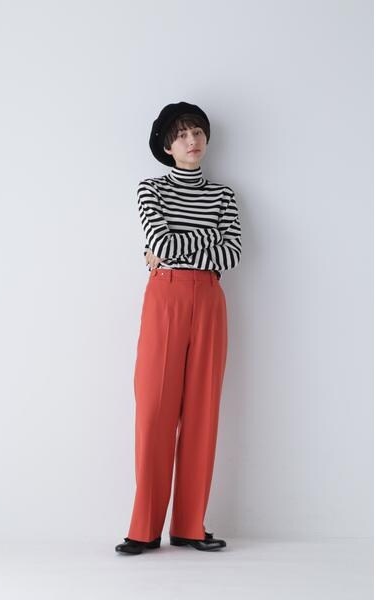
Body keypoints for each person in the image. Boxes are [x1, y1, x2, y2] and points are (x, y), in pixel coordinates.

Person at [115, 101, 242, 555]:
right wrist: (200, 240)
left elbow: (231, 255)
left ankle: (190, 525)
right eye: (183, 135)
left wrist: (172, 248)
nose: (193, 141)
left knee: (203, 411)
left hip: (209, 298)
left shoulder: (224, 196)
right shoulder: (150, 189)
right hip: (165, 297)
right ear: (167, 146)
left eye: (198, 133)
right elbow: (161, 243)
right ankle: (144, 528)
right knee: (154, 410)